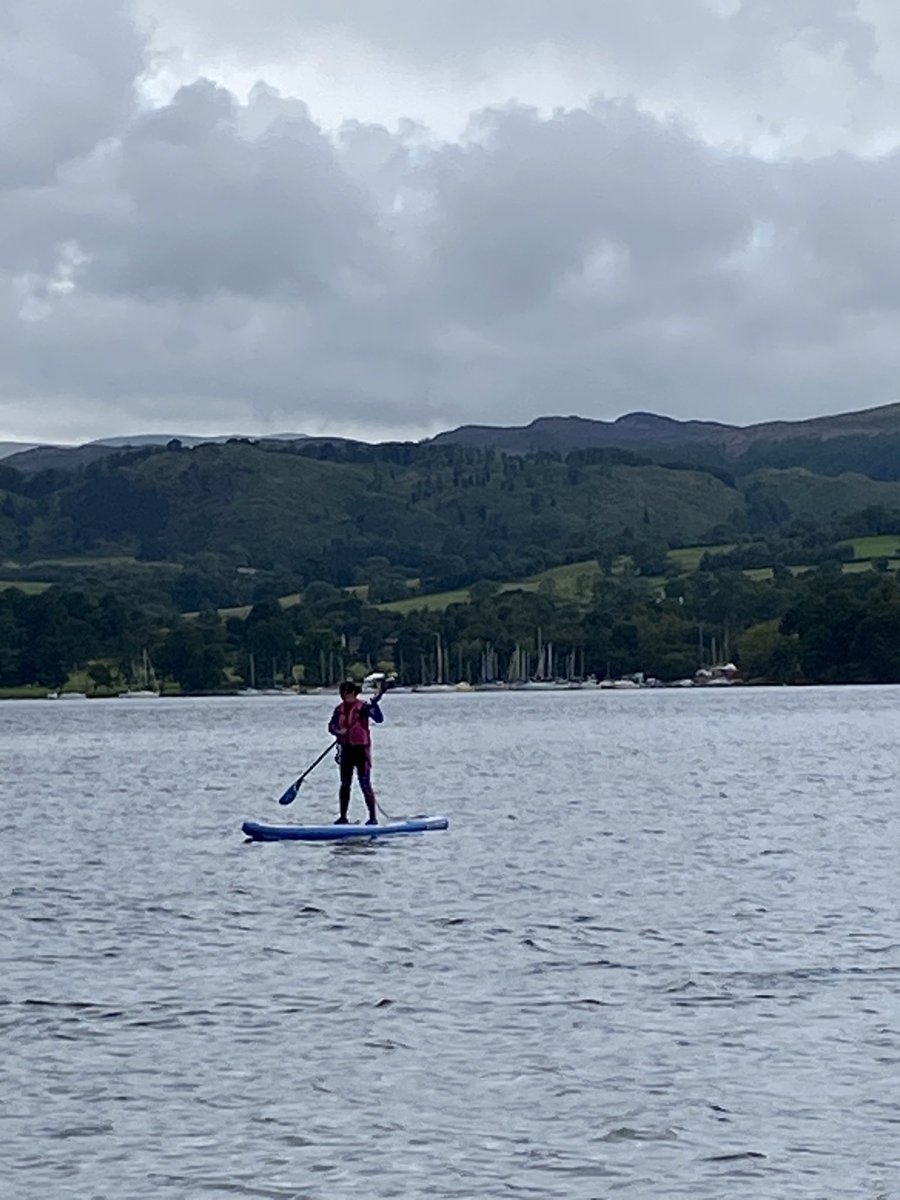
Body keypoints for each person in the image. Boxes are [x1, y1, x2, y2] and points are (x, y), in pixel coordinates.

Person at [328, 680, 384, 824]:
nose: (343, 696)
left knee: (364, 783)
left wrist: (375, 704)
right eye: (341, 693)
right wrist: (338, 732)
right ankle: (343, 817)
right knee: (345, 784)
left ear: (353, 693)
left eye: (345, 693)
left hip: (361, 750)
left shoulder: (363, 707)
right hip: (346, 750)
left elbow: (379, 719)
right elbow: (331, 727)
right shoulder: (339, 710)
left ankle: (372, 818)